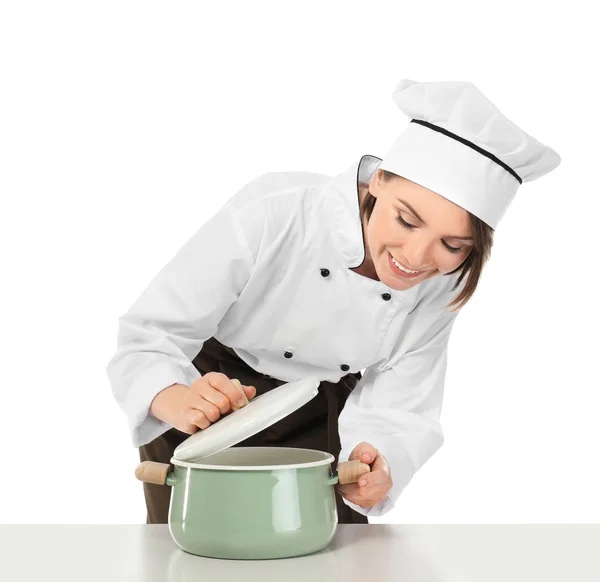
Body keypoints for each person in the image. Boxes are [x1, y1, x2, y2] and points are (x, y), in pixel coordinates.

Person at [106, 78, 561, 524]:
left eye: (453, 244)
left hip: (322, 418)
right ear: (379, 179)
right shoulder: (276, 211)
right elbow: (152, 333)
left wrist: (378, 462)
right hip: (209, 401)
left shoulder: (442, 282)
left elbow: (400, 403)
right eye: (406, 220)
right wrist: (176, 397)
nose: (416, 258)